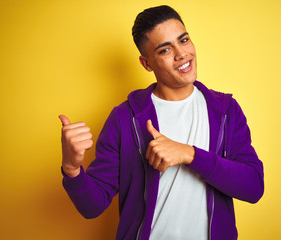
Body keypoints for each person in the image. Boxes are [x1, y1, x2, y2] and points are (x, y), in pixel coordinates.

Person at [59, 5, 264, 240]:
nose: (181, 54)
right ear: (147, 64)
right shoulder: (124, 118)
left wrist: (189, 154)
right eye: (165, 50)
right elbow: (92, 206)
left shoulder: (225, 110)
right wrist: (72, 169)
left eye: (184, 40)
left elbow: (253, 187)